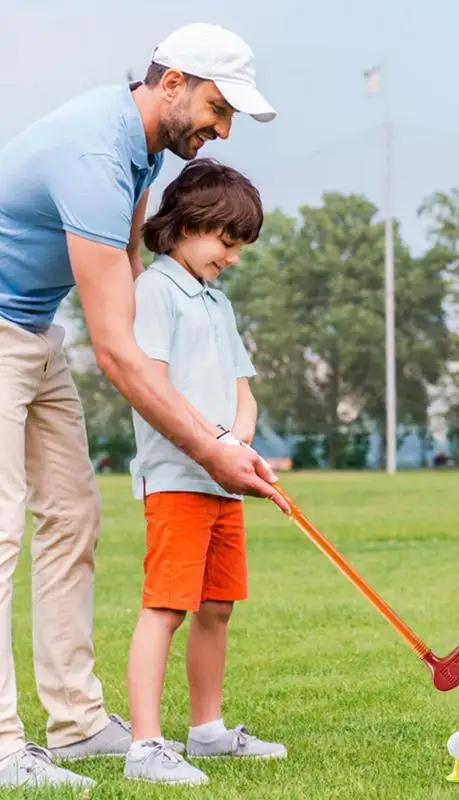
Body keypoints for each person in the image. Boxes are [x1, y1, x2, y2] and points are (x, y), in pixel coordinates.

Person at [0, 22, 287, 789]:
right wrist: (211, 447)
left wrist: (218, 427)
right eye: (219, 108)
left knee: (73, 517)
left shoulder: (146, 151)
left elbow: (124, 272)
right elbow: (121, 351)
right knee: (1, 532)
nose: (222, 129)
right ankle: (2, 744)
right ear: (173, 82)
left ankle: (78, 723)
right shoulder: (96, 153)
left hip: (32, 327)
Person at [123, 159, 287, 786]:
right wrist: (215, 440)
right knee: (166, 607)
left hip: (223, 482)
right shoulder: (155, 293)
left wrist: (239, 438)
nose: (233, 257)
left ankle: (207, 731)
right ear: (189, 225)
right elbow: (154, 385)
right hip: (175, 481)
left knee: (217, 606)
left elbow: (244, 389)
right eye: (227, 241)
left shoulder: (216, 302)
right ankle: (144, 746)